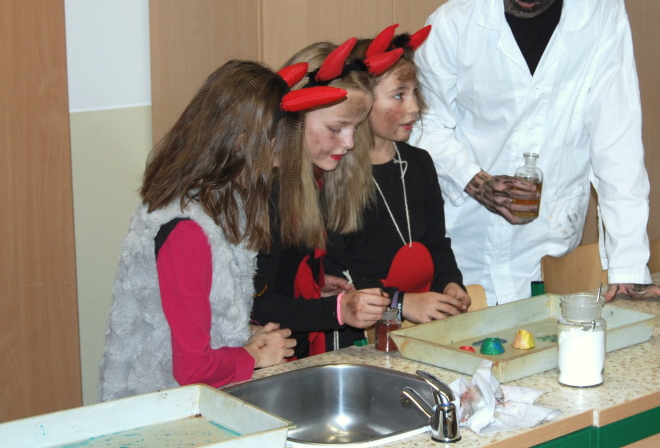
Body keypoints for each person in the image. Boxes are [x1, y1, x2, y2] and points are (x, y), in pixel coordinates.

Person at [410, 0, 660, 306]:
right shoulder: (452, 24)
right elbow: (425, 125)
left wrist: (629, 267)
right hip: (466, 237)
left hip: (552, 237)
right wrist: (476, 181)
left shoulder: (602, 14)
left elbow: (617, 143)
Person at [98, 60, 324, 401]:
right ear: (243, 144)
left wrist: (248, 337)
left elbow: (206, 318)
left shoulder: (223, 206)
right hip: (164, 414)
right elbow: (193, 370)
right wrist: (253, 356)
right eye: (280, 145)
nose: (284, 158)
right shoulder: (187, 230)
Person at [324, 25, 472, 350]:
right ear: (362, 101)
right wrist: (400, 302)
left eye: (415, 92)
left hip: (417, 332)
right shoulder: (334, 173)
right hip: (356, 336)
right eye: (399, 95)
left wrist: (450, 282)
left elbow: (437, 244)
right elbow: (333, 271)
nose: (415, 107)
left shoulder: (419, 164)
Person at [249, 40, 391, 358]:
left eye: (356, 128)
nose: (350, 142)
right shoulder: (266, 195)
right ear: (295, 120)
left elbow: (279, 280)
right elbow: (252, 305)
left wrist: (312, 283)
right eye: (337, 128)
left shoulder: (314, 179)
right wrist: (336, 310)